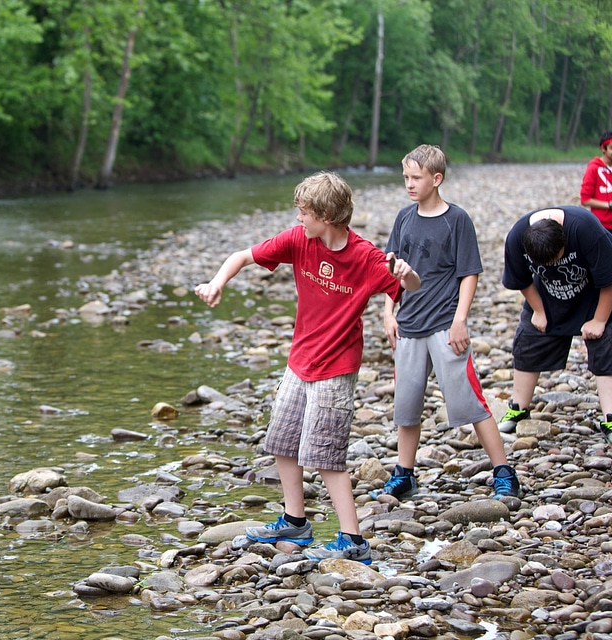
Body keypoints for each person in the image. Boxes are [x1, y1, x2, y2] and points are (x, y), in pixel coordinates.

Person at [194, 171, 421, 564]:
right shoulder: (300, 240)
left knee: (325, 455)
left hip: (336, 367)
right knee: (282, 442)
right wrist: (217, 283)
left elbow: (412, 287)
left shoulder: (365, 257)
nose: (298, 218)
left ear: (327, 216)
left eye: (304, 212)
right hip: (299, 362)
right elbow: (243, 256)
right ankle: (294, 521)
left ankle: (353, 540)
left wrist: (406, 273)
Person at [372, 145, 520, 502]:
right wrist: (387, 311)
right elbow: (394, 269)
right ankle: (404, 474)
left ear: (436, 179)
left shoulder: (457, 220)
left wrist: (460, 321)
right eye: (405, 177)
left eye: (416, 178)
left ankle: (504, 472)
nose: (408, 184)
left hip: (443, 325)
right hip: (407, 326)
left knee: (469, 400)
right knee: (406, 406)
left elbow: (469, 274)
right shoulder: (404, 218)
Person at [499, 205, 612, 443]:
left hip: (597, 292)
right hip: (549, 293)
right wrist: (539, 311)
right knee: (528, 342)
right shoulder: (517, 238)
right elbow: (520, 279)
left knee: (607, 345)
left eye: (554, 259)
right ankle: (518, 409)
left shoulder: (586, 229)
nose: (550, 265)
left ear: (564, 242)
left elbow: (609, 279)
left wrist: (600, 320)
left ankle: (610, 418)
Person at [579, 130, 612, 232]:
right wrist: (609, 205)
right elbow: (585, 200)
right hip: (602, 225)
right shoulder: (593, 168)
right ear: (603, 148)